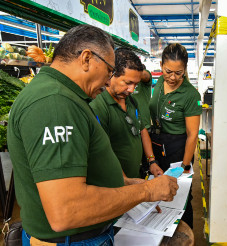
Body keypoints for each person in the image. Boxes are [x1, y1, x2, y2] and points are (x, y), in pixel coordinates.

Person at [7, 25, 178, 245]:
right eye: (109, 71)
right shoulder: (55, 104)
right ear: (86, 58)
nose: (109, 81)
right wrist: (146, 191)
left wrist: (125, 184)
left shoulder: (66, 96)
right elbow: (67, 210)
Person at [149, 43, 202, 228]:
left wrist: (185, 166)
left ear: (185, 69)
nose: (172, 77)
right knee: (157, 190)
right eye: (168, 71)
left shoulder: (189, 95)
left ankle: (184, 233)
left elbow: (192, 134)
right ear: (161, 65)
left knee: (180, 195)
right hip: (156, 144)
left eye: (178, 73)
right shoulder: (159, 83)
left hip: (177, 149)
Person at [90, 48, 163, 178]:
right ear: (111, 74)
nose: (131, 89)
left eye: (136, 84)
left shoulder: (131, 100)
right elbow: (103, 153)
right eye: (128, 83)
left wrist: (152, 161)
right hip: (115, 184)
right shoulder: (99, 106)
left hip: (134, 177)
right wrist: (125, 181)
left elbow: (142, 130)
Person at [131, 64, 157, 177]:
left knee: (147, 166)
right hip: (131, 130)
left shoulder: (144, 82)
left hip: (145, 129)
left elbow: (146, 76)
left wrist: (132, 70)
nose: (131, 88)